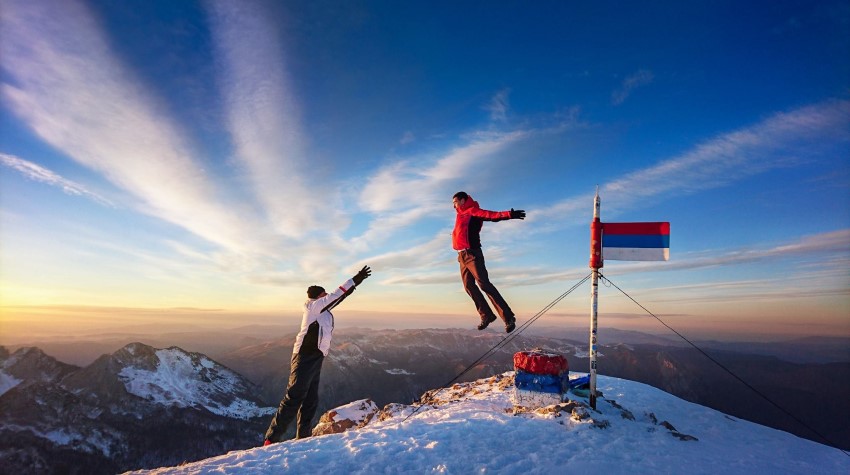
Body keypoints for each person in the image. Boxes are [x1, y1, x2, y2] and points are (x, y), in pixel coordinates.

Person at [263, 265, 372, 445]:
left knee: (310, 399)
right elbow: (338, 294)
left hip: (316, 357)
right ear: (319, 296)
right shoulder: (314, 307)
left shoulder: (321, 310)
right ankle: (271, 438)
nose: (327, 295)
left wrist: (356, 283)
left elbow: (338, 298)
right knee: (294, 397)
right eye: (324, 294)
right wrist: (356, 278)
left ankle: (303, 437)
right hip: (305, 356)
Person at [451, 191, 525, 333]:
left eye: (455, 202)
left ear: (462, 200)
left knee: (484, 284)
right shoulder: (459, 214)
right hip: (462, 256)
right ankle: (487, 315)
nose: (453, 205)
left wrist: (509, 214)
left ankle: (508, 318)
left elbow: (491, 215)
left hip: (472, 254)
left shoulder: (473, 211)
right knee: (468, 286)